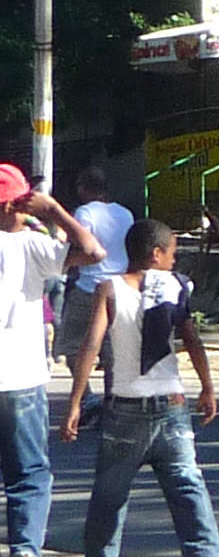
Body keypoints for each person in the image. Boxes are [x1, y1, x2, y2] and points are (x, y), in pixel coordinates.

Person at [58, 218, 219, 557]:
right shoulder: (174, 287)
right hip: (172, 405)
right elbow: (191, 339)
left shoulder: (110, 288)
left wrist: (75, 402)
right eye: (171, 253)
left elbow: (91, 345)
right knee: (188, 487)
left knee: (109, 495)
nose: (174, 261)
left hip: (124, 408)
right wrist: (207, 386)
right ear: (156, 254)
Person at [0, 163, 106, 557]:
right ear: (18, 203)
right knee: (29, 476)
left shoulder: (30, 242)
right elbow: (93, 252)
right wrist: (56, 211)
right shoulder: (30, 244)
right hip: (20, 377)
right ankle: (25, 554)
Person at [53, 165, 133, 424]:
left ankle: (88, 398)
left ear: (83, 189)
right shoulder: (125, 214)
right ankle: (113, 401)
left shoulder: (84, 212)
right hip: (120, 288)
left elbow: (78, 243)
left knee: (72, 345)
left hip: (89, 288)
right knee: (114, 350)